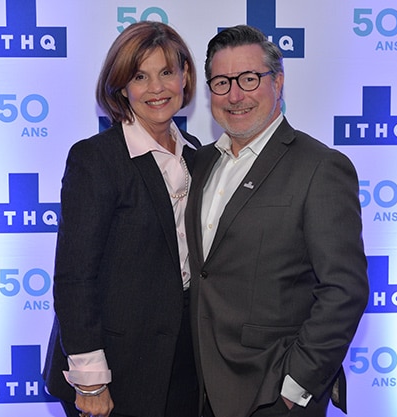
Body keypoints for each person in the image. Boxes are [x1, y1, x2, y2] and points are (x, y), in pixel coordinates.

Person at [185, 25, 369, 417]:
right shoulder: (200, 163)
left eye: (249, 79)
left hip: (271, 393)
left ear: (278, 82)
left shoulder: (320, 167)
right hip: (199, 391)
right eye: (221, 82)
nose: (235, 95)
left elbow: (344, 290)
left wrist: (294, 386)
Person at [43, 21, 200, 417]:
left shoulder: (197, 154)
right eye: (140, 76)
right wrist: (91, 379)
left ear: (185, 75)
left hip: (184, 364)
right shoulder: (97, 159)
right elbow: (75, 276)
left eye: (166, 72)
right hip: (115, 368)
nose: (156, 88)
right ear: (121, 87)